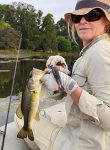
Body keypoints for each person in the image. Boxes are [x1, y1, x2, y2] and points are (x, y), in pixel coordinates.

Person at [15, 0, 110, 149]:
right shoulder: (92, 50)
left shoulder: (100, 52)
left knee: (19, 117)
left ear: (107, 21)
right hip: (87, 135)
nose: (83, 21)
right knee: (56, 115)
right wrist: (66, 73)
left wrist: (70, 86)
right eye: (77, 18)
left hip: (81, 144)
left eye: (93, 15)